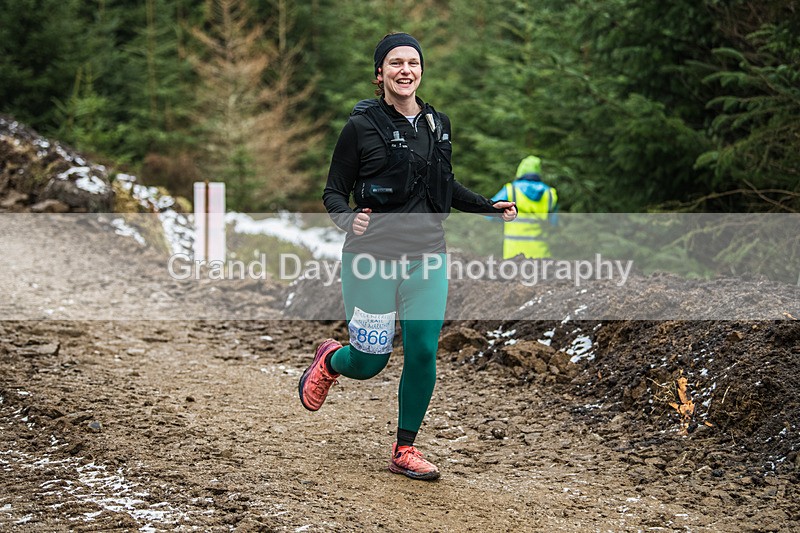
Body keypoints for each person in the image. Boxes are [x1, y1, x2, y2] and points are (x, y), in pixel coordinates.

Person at [298, 32, 517, 481]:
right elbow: (334, 191)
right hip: (370, 258)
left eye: (413, 63)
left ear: (421, 71)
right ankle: (331, 360)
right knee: (370, 360)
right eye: (395, 63)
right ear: (380, 74)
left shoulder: (439, 124)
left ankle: (404, 448)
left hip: (427, 259)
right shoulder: (360, 127)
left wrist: (485, 207)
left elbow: (444, 185)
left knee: (422, 352)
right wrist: (347, 219)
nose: (405, 70)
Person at [491, 155, 558, 259]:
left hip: (513, 254)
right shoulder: (549, 194)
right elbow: (554, 223)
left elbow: (490, 214)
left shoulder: (510, 190)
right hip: (541, 254)